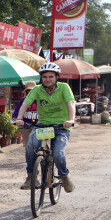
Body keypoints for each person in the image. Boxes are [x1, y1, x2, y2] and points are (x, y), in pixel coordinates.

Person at [15, 62, 76, 192]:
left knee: (58, 154)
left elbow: (70, 103)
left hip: (61, 127)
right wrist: (19, 118)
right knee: (31, 146)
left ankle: (64, 176)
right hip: (42, 126)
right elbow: (26, 103)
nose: (47, 79)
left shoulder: (64, 87)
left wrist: (71, 119)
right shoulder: (37, 89)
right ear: (41, 78)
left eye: (51, 76)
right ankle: (31, 177)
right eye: (45, 77)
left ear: (56, 77)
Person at [12, 80, 38, 148]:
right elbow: (17, 110)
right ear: (26, 92)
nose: (30, 93)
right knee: (27, 145)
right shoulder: (23, 100)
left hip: (38, 125)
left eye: (32, 91)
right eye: (28, 91)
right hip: (25, 125)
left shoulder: (40, 100)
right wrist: (15, 117)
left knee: (39, 143)